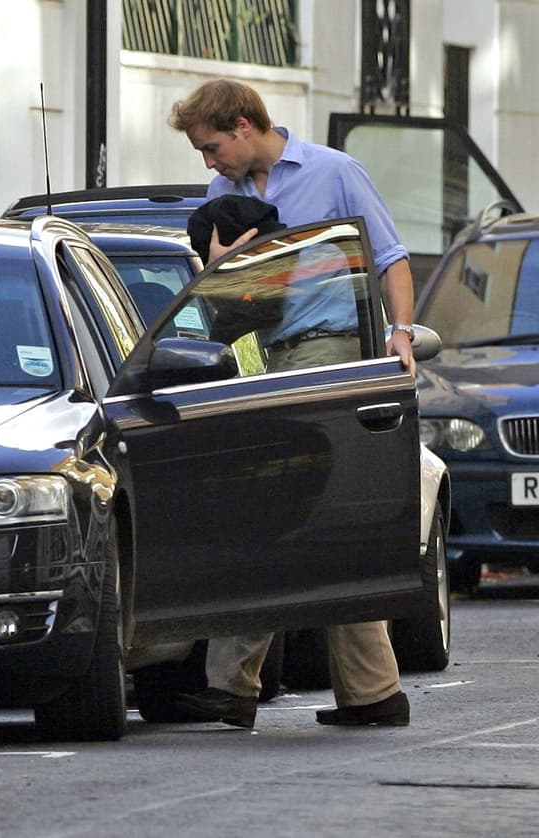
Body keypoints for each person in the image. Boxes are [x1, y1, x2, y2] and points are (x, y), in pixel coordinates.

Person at [167, 79, 415, 729]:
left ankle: (233, 686)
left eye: (213, 147)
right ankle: (372, 692)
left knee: (273, 510)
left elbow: (390, 258)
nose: (209, 161)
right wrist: (221, 268)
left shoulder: (334, 173)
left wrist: (401, 333)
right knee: (317, 521)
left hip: (330, 352)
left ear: (245, 126)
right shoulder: (221, 194)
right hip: (267, 359)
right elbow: (225, 302)